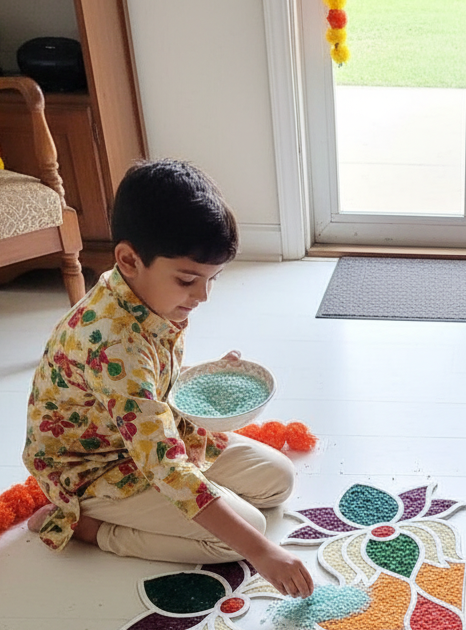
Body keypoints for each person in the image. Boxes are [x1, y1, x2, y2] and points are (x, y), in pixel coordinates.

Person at [23, 159, 313, 598]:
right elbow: (163, 463)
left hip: (148, 437)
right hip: (96, 467)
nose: (202, 296)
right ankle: (89, 527)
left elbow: (148, 390)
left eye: (212, 280)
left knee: (278, 480)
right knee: (242, 534)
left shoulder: (144, 290)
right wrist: (263, 552)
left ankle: (197, 507)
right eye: (188, 280)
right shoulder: (112, 340)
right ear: (128, 259)